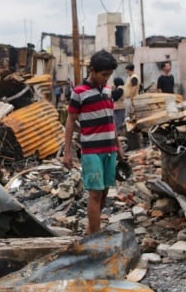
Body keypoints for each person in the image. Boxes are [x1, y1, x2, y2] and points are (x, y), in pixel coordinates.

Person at [62, 50, 125, 234]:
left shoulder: (107, 90)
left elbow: (111, 119)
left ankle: (91, 230)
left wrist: (119, 146)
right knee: (95, 193)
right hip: (91, 151)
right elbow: (70, 121)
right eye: (104, 74)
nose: (106, 78)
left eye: (109, 75)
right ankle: (95, 240)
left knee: (104, 191)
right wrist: (67, 152)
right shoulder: (79, 93)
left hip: (109, 149)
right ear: (92, 70)